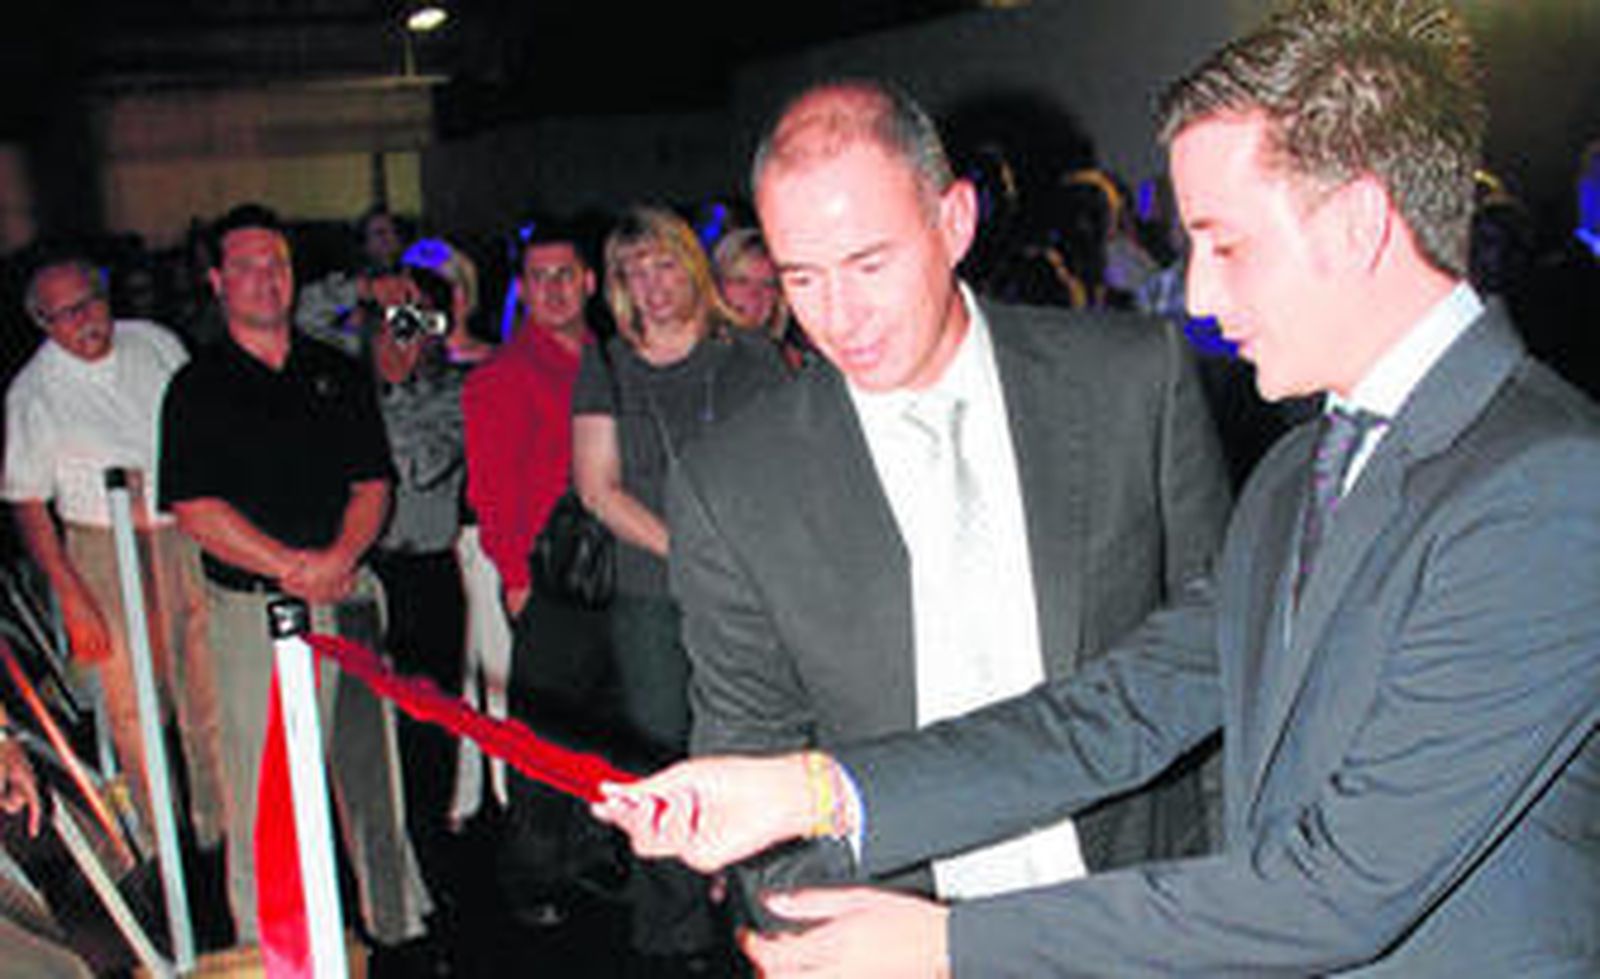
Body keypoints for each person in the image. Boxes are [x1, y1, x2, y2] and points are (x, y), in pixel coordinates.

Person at [597, 2, 1600, 975]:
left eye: (1226, 242)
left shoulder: (1548, 484)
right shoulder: (1304, 468)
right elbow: (1116, 711)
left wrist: (944, 945)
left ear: (1356, 225)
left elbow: (1334, 886)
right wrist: (814, 791)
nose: (1197, 294)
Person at [656, 79, 1230, 916]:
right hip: (903, 933)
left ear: (955, 221)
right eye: (802, 277)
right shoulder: (731, 485)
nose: (840, 315)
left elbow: (1222, 660)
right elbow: (755, 771)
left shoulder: (1134, 382)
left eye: (869, 263)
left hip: (1143, 915)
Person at [158, 203, 433, 956]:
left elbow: (372, 484)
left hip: (347, 595)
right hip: (257, 611)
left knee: (371, 770)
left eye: (275, 263)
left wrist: (338, 561)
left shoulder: (335, 373)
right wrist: (291, 570)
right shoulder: (197, 387)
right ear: (217, 281)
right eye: (244, 265)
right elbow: (196, 509)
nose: (264, 279)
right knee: (265, 787)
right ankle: (271, 946)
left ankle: (395, 919)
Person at [571, 205, 787, 972]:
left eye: (663, 265)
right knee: (658, 755)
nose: (651, 286)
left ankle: (771, 910)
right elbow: (598, 487)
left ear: (690, 266)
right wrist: (688, 554)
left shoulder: (750, 356)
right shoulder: (607, 361)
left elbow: (784, 473)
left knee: (753, 747)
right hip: (649, 590)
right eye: (633, 271)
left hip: (750, 592)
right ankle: (673, 930)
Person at [2, 256, 227, 867]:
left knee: (206, 689)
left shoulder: (154, 344)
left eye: (93, 301)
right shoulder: (32, 392)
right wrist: (70, 594)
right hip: (102, 545)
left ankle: (218, 826)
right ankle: (165, 844)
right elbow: (26, 503)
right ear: (43, 322)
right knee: (130, 704)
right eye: (68, 313)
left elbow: (202, 428)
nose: (88, 320)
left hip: (183, 529)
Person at [460, 217, 612, 924]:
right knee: (545, 734)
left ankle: (588, 853)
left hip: (616, 572)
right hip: (545, 580)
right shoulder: (501, 376)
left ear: (587, 280)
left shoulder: (611, 359)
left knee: (604, 723)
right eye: (538, 277)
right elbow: (492, 491)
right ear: (521, 288)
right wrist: (517, 578)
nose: (551, 290)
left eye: (564, 275)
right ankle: (534, 873)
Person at [362, 252, 471, 929]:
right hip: (367, 573)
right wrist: (368, 293)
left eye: (419, 318)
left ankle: (432, 853)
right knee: (371, 729)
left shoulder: (455, 392)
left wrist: (401, 378)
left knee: (432, 720)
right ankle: (384, 853)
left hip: (428, 571)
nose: (407, 332)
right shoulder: (341, 389)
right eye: (392, 319)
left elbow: (423, 464)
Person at [293, 204, 410, 357]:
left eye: (395, 232)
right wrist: (356, 295)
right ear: (364, 244)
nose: (390, 239)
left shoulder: (417, 281)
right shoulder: (343, 285)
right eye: (380, 233)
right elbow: (304, 318)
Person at [711, 227, 810, 370]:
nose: (755, 293)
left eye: (768, 284)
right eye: (741, 281)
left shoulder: (796, 363)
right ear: (716, 284)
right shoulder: (692, 354)